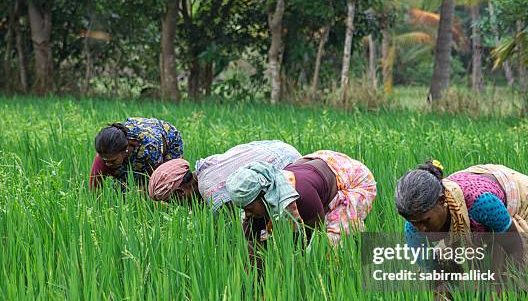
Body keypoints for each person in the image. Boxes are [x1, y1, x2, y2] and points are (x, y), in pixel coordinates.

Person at [395, 160, 528, 292]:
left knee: (526, 276)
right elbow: (432, 271)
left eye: (426, 221)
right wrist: (440, 290)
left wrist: (499, 286)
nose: (421, 229)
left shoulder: (481, 203)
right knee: (451, 264)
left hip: (527, 201)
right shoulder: (413, 228)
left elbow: (514, 246)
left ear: (442, 201)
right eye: (414, 223)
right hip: (482, 199)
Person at [226, 150, 377, 268]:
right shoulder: (262, 194)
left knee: (331, 246)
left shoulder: (302, 198)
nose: (247, 214)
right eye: (243, 209)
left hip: (353, 178)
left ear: (265, 196)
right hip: (318, 164)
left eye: (250, 208)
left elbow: (308, 239)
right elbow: (252, 243)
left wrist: (290, 267)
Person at [147, 140, 301, 211]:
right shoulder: (204, 168)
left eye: (172, 202)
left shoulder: (210, 192)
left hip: (287, 164)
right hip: (278, 147)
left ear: (181, 193)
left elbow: (241, 221)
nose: (177, 206)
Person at [89, 117, 183, 189]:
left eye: (112, 160)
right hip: (136, 140)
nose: (108, 164)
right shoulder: (107, 149)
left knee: (165, 186)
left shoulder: (149, 148)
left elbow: (155, 181)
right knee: (121, 190)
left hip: (168, 139)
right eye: (105, 160)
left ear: (124, 150)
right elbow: (94, 189)